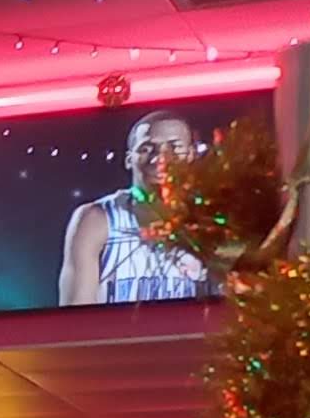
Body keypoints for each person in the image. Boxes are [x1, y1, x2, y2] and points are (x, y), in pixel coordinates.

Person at [60, 111, 211, 305]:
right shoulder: (96, 219)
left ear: (191, 155)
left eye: (174, 147)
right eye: (147, 148)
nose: (160, 158)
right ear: (129, 159)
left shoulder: (212, 220)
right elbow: (75, 313)